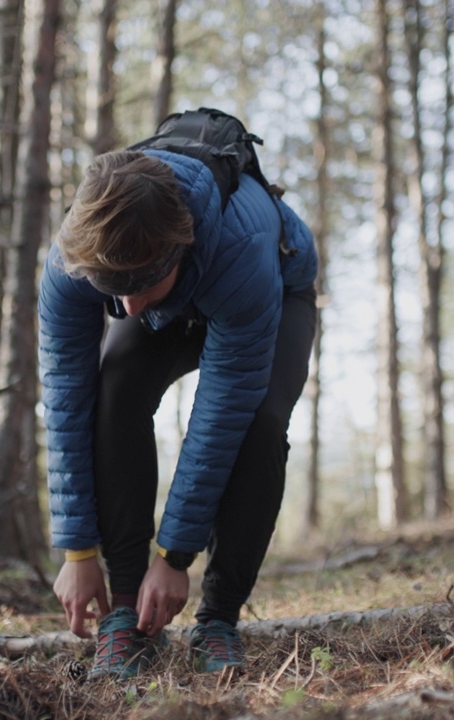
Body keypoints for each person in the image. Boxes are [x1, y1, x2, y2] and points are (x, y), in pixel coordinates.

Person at [38, 142, 317, 679]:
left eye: (140, 286)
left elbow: (220, 416)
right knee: (115, 388)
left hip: (270, 288)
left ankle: (218, 619)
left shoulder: (241, 248)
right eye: (111, 290)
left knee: (258, 423)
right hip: (177, 279)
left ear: (178, 249)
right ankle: (126, 615)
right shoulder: (73, 262)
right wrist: (77, 551)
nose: (129, 308)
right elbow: (67, 400)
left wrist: (173, 558)